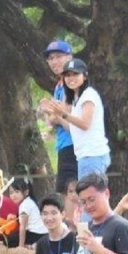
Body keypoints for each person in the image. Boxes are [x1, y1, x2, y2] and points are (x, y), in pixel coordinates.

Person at [45, 58, 109, 179]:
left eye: (75, 74)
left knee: (92, 195)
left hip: (93, 154)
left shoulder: (88, 95)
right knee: (86, 195)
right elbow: (73, 129)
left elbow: (85, 124)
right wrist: (57, 114)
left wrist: (63, 114)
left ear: (85, 76)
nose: (71, 78)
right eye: (67, 75)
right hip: (84, 155)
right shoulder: (76, 98)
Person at [38, 40, 78, 210]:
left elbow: (65, 114)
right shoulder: (59, 85)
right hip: (63, 144)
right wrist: (51, 113)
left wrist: (53, 113)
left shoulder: (73, 82)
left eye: (59, 56)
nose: (54, 61)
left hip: (73, 145)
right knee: (63, 194)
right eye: (51, 58)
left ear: (70, 56)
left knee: (72, 195)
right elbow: (52, 119)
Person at [8, 179, 47, 247]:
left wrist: (21, 246)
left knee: (10, 240)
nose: (13, 195)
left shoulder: (25, 206)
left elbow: (23, 227)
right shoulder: (28, 202)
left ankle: (32, 245)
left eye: (17, 192)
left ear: (26, 192)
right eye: (11, 193)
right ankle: (33, 244)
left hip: (37, 234)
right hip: (43, 234)